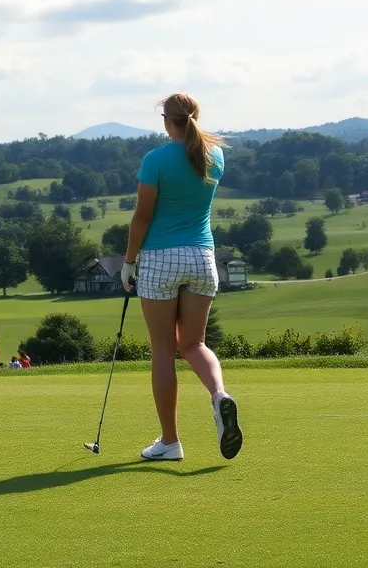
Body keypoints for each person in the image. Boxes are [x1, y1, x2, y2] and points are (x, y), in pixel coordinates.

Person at [122, 93, 243, 462]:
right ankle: (219, 394)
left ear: (166, 120)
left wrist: (129, 262)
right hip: (203, 258)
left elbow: (142, 217)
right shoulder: (214, 156)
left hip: (161, 258)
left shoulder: (155, 160)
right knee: (194, 344)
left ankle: (171, 441)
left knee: (163, 348)